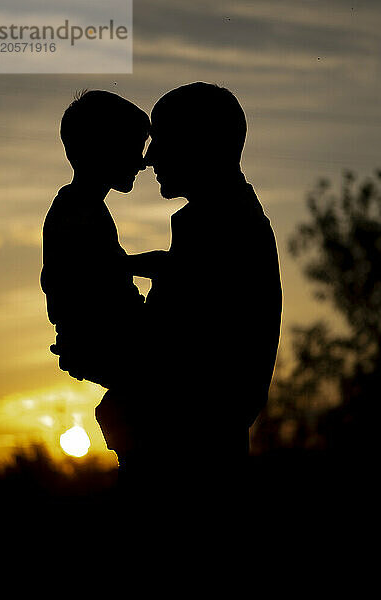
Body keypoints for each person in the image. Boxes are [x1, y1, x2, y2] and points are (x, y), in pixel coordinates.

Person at [127, 83, 282, 496]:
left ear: (198, 144)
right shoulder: (224, 221)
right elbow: (185, 280)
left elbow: (177, 343)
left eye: (161, 141)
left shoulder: (225, 227)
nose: (148, 158)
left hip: (193, 460)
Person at [41, 89, 149, 461]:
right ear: (105, 149)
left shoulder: (82, 208)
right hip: (111, 348)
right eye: (135, 148)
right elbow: (88, 283)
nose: (143, 162)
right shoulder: (78, 211)